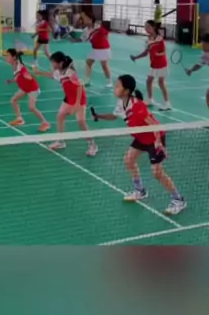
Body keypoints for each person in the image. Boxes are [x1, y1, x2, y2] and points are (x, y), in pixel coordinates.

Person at [91, 74, 186, 215]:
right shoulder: (121, 103)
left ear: (126, 91)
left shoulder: (137, 105)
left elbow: (154, 125)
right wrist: (99, 116)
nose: (115, 88)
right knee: (128, 160)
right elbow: (114, 116)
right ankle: (140, 190)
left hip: (154, 138)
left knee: (157, 173)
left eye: (117, 86)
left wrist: (158, 142)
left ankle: (178, 199)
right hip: (141, 137)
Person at [34, 51, 98, 155]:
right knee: (60, 116)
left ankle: (92, 145)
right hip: (68, 98)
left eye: (53, 62)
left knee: (81, 122)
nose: (51, 64)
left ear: (60, 63)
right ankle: (60, 141)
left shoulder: (70, 73)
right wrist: (39, 73)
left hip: (79, 99)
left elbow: (79, 87)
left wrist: (77, 105)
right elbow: (52, 75)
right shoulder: (58, 72)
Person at [130, 20, 171, 110]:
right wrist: (136, 57)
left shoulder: (159, 38)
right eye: (145, 27)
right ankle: (150, 99)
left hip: (161, 64)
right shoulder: (148, 40)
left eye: (148, 27)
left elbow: (164, 52)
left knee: (161, 83)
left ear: (153, 27)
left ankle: (167, 103)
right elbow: (146, 53)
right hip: (154, 65)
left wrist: (158, 54)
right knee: (149, 81)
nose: (146, 28)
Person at [5, 48, 50, 131]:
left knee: (31, 107)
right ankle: (19, 119)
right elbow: (18, 77)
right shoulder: (14, 66)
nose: (6, 57)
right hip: (24, 88)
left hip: (32, 89)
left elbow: (27, 76)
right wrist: (12, 81)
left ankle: (45, 123)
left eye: (8, 56)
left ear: (14, 57)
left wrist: (29, 76)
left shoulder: (20, 67)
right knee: (13, 100)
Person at [71, 9, 112, 87]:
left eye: (85, 18)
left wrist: (105, 39)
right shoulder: (86, 30)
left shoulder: (98, 26)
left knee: (104, 65)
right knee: (88, 62)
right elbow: (82, 39)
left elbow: (106, 33)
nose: (84, 20)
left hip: (104, 49)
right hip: (95, 49)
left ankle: (109, 81)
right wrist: (73, 39)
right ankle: (87, 80)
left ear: (90, 19)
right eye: (84, 19)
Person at [185, 32, 209, 107]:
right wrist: (191, 70)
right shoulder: (205, 53)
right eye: (202, 43)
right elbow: (200, 64)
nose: (202, 46)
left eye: (204, 44)